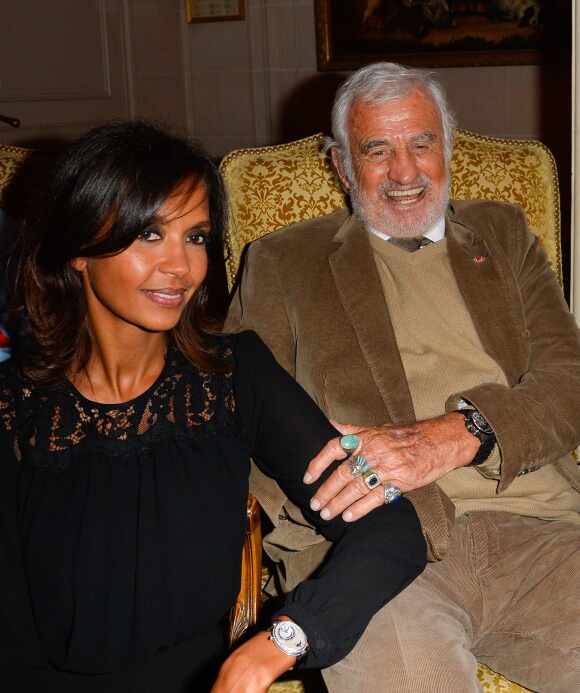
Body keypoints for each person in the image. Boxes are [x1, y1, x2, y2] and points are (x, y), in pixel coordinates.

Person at [0, 120, 426, 693]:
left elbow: (392, 527)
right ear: (78, 248)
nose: (182, 267)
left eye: (196, 237)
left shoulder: (232, 376)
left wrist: (280, 643)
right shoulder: (14, 408)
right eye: (150, 234)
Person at [225, 62, 580, 693]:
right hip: (382, 557)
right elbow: (236, 418)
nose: (406, 172)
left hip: (548, 539)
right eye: (377, 150)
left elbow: (571, 380)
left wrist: (460, 434)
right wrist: (314, 492)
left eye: (422, 143)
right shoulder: (283, 263)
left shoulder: (503, 233)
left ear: (448, 146)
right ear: (341, 165)